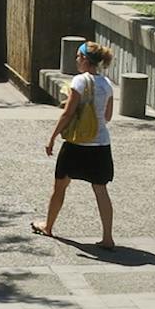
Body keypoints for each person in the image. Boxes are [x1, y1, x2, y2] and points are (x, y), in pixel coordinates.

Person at [33, 40, 116, 249]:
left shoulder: (79, 81)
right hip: (100, 144)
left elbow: (68, 113)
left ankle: (48, 226)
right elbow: (107, 116)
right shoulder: (107, 84)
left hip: (77, 143)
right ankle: (108, 238)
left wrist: (52, 137)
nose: (76, 61)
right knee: (100, 189)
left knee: (60, 185)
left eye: (78, 57)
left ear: (85, 60)